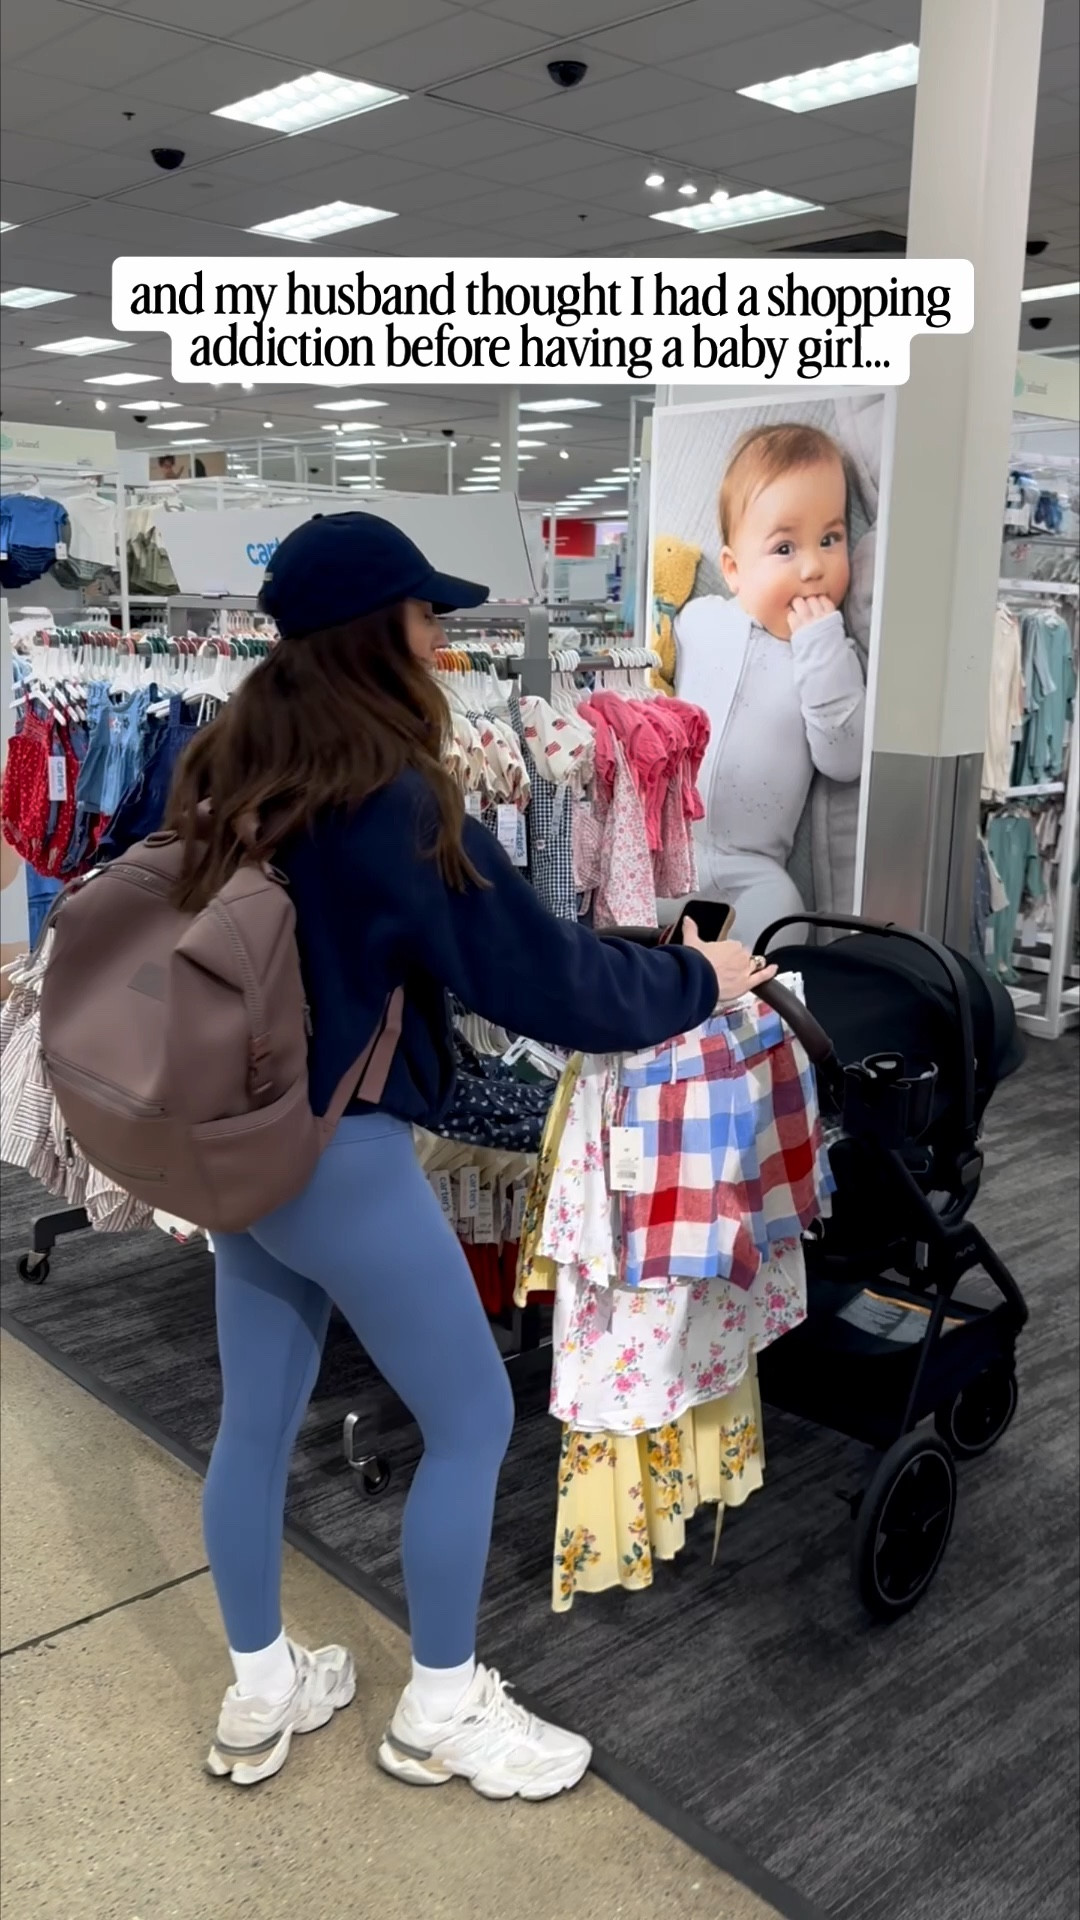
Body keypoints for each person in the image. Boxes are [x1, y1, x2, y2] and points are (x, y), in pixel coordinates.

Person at [165, 512, 777, 1800]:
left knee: (256, 1420)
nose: (443, 643)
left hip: (244, 1145)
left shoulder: (227, 764)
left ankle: (261, 1688)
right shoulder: (387, 795)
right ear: (374, 631)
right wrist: (697, 975)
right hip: (346, 1156)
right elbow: (541, 977)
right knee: (473, 1413)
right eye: (427, 617)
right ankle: (441, 1709)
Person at [673, 422, 866, 947]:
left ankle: (740, 1013)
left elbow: (844, 758)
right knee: (630, 923)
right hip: (672, 851)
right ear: (733, 570)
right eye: (785, 548)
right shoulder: (702, 618)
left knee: (785, 914)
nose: (812, 567)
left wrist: (822, 643)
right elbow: (662, 657)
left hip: (752, 865)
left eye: (831, 540)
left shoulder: (828, 655)